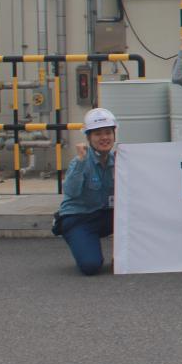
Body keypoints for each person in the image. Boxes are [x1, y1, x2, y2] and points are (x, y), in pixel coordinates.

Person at [54, 108, 118, 276]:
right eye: (97, 134)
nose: (104, 138)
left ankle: (123, 256)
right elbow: (71, 191)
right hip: (79, 218)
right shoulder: (80, 161)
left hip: (105, 214)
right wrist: (81, 161)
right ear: (88, 137)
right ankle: (81, 241)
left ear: (114, 135)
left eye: (108, 132)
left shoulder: (118, 160)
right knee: (90, 266)